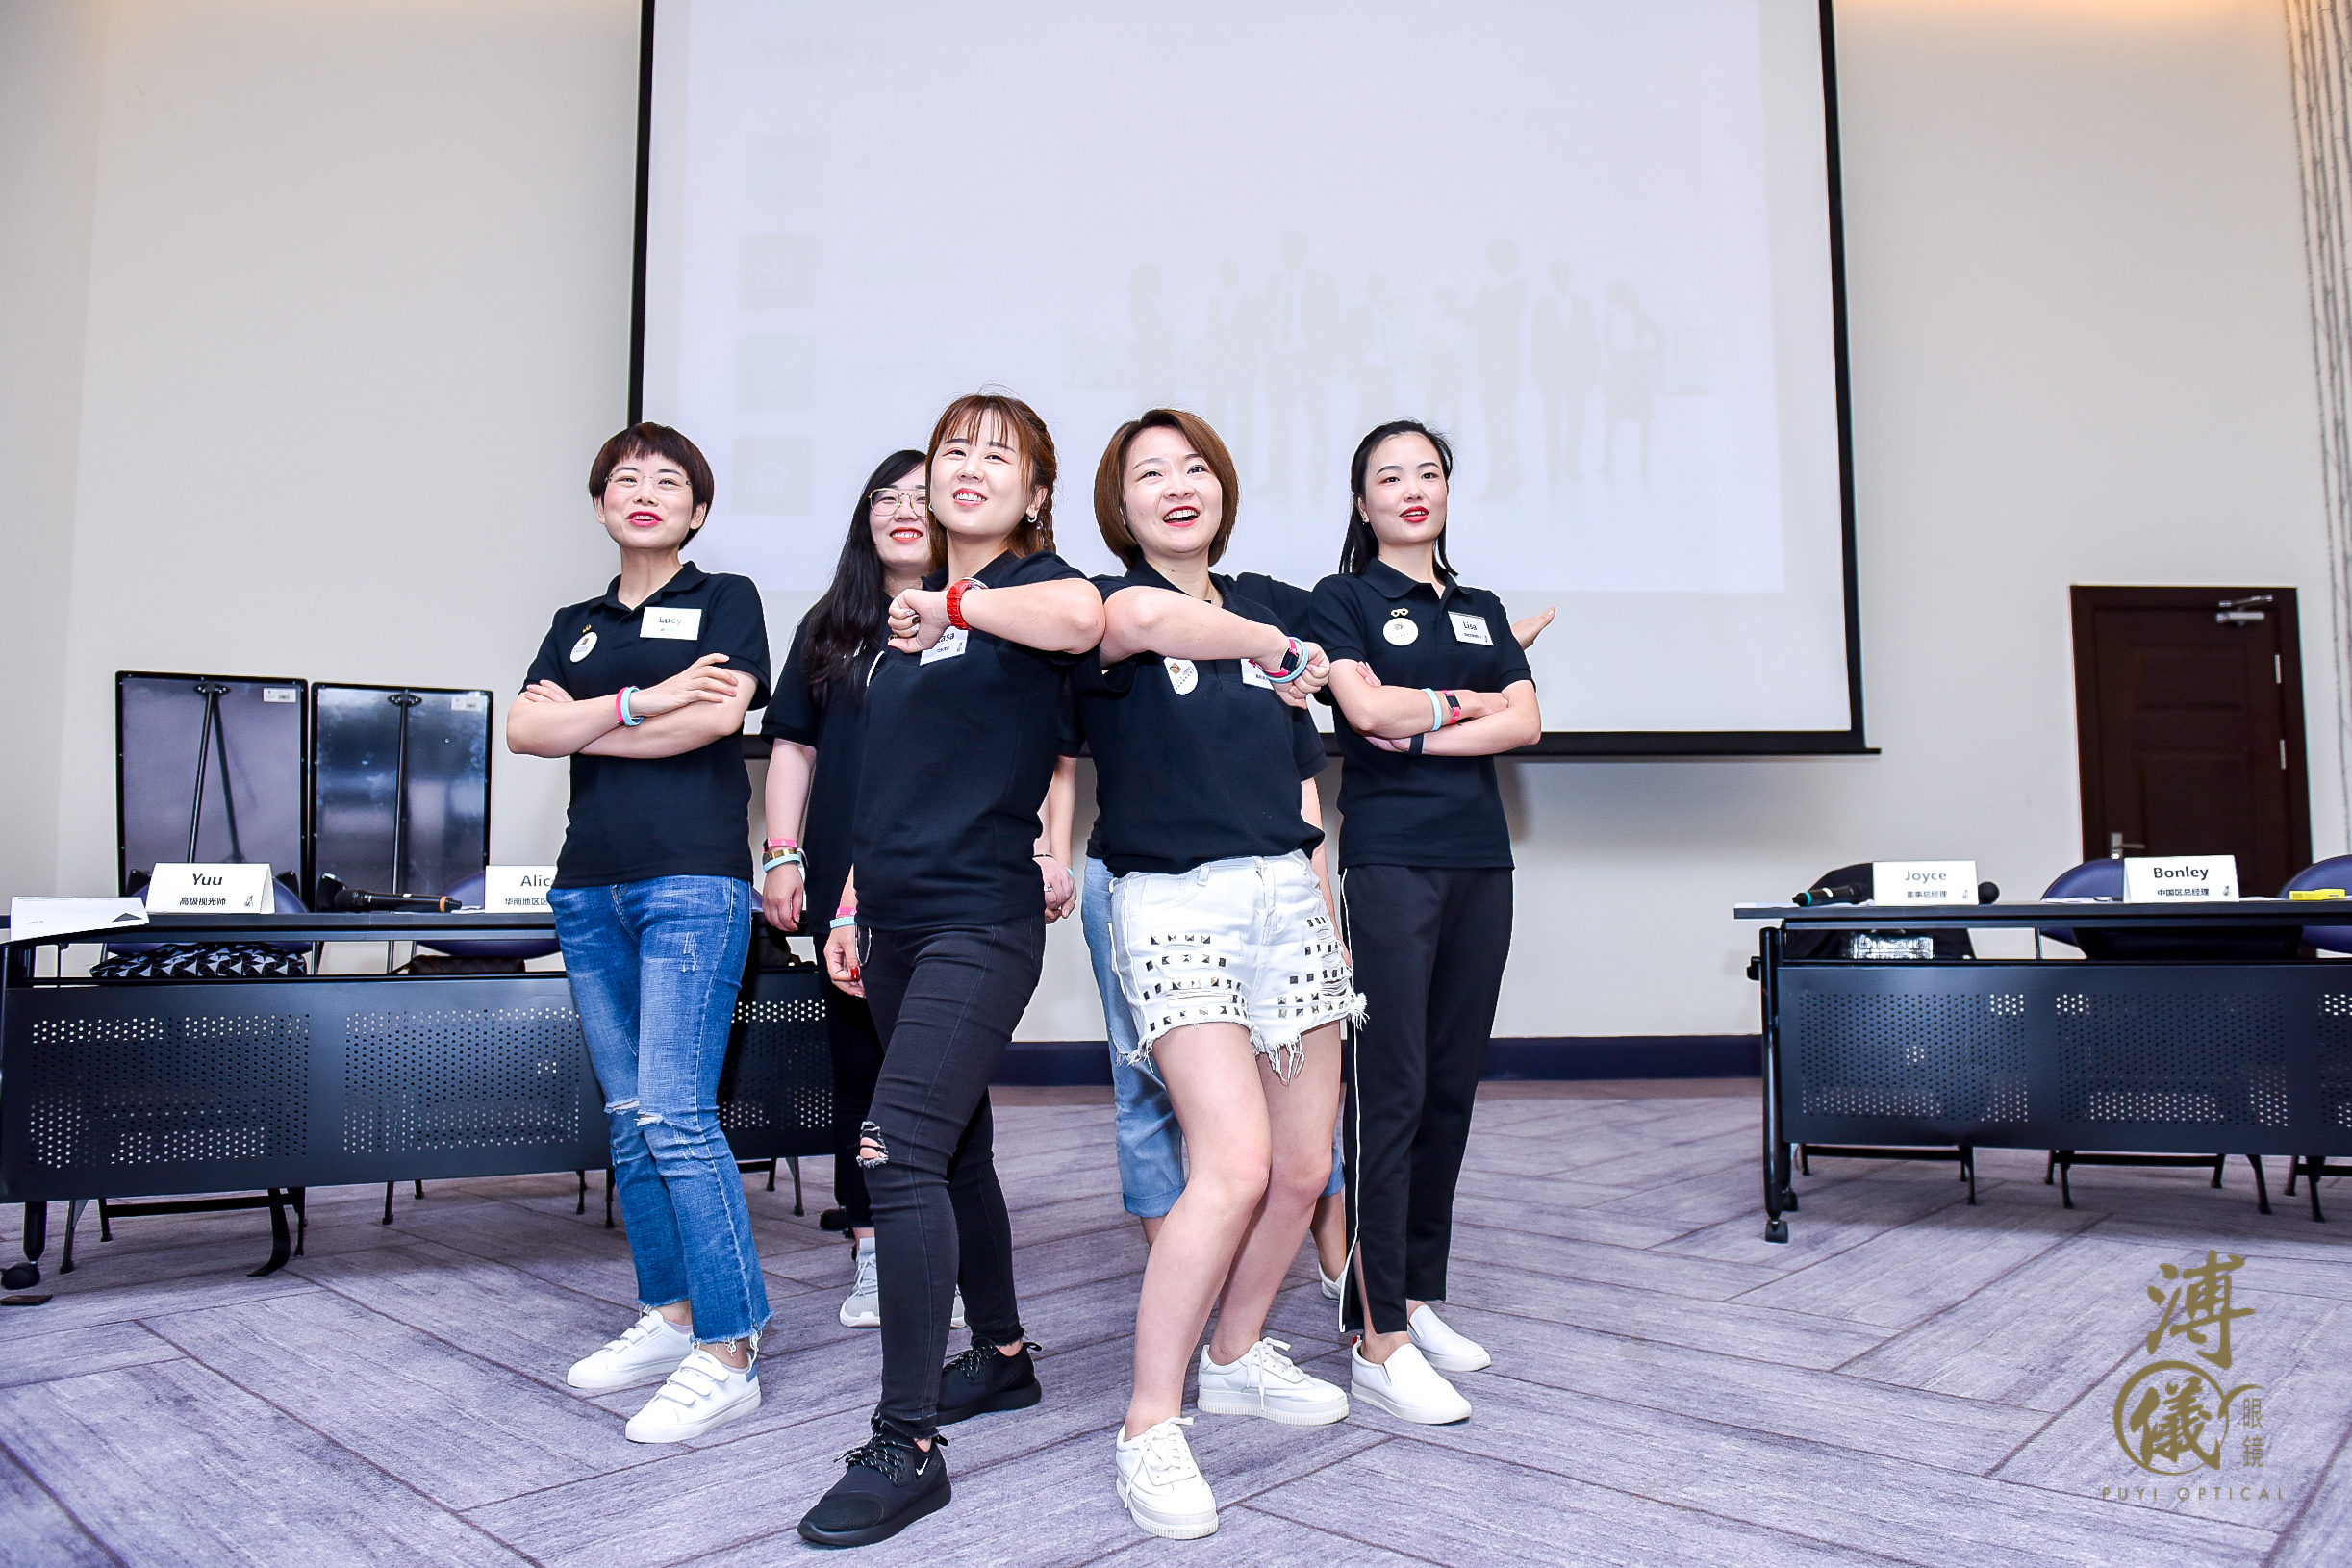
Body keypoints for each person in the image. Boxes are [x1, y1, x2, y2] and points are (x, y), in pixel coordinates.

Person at [796, 393, 1102, 1550]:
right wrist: (851, 898)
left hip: (982, 920)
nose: (967, 467)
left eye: (997, 455)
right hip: (893, 920)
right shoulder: (900, 624)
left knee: (897, 1150)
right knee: (958, 1145)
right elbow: (892, 783)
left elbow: (1083, 617)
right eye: (951, 450)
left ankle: (907, 1443)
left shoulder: (1031, 591)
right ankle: (1006, 1354)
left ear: (1035, 494)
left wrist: (955, 604)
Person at [1073, 408, 1358, 1539]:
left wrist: (1325, 915)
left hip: (1286, 897)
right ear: (1122, 505)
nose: (1178, 485)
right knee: (1230, 1164)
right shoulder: (1108, 609)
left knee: (1304, 1166)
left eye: (1195, 467)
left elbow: (1303, 787)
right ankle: (1149, 1422)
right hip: (1173, 904)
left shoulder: (1269, 602)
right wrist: (1273, 649)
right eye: (1150, 473)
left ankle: (1235, 1354)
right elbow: (1147, 619)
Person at [506, 423, 771, 1444]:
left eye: (669, 481)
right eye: (626, 478)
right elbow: (525, 730)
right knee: (629, 1117)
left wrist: (587, 718)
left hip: (691, 883)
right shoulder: (573, 622)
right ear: (601, 503)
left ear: (697, 510)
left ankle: (731, 1345)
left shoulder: (727, 597)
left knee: (675, 1112)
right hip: (588, 889)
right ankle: (671, 1316)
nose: (646, 491)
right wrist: (643, 699)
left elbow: (714, 722)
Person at [1313, 419, 1543, 1427]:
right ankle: (1376, 1336)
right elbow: (1364, 716)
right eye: (1388, 476)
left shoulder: (1482, 605)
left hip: (1481, 863)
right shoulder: (1344, 600)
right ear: (1362, 502)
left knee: (1450, 1085)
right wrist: (1464, 707)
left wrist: (1418, 721)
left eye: (1428, 472)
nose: (1412, 488)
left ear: (1447, 491)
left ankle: (1412, 1294)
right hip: (1391, 862)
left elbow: (1526, 722)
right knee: (1390, 1089)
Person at [759, 449, 963, 1332]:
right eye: (885, 497)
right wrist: (782, 854)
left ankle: (948, 1247)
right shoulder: (830, 624)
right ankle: (874, 1248)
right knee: (858, 1068)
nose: (903, 510)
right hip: (844, 888)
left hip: (946, 878)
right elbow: (793, 748)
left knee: (945, 1070)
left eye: (921, 497)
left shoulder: (978, 617)